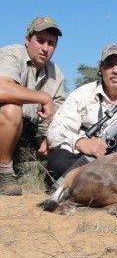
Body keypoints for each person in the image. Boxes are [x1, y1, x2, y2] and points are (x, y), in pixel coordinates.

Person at [47, 43, 117, 183]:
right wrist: (81, 142)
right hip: (92, 165)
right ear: (101, 68)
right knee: (57, 159)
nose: (115, 70)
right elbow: (54, 131)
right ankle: (115, 187)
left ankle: (96, 186)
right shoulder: (81, 94)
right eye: (109, 64)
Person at [0, 16, 65, 196]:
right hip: (7, 126)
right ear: (27, 40)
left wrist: (49, 137)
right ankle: (4, 172)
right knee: (11, 109)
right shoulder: (12, 54)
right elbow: (2, 89)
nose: (45, 48)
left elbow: (59, 114)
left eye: (51, 43)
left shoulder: (55, 71)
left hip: (29, 133)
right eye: (40, 41)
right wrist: (43, 97)